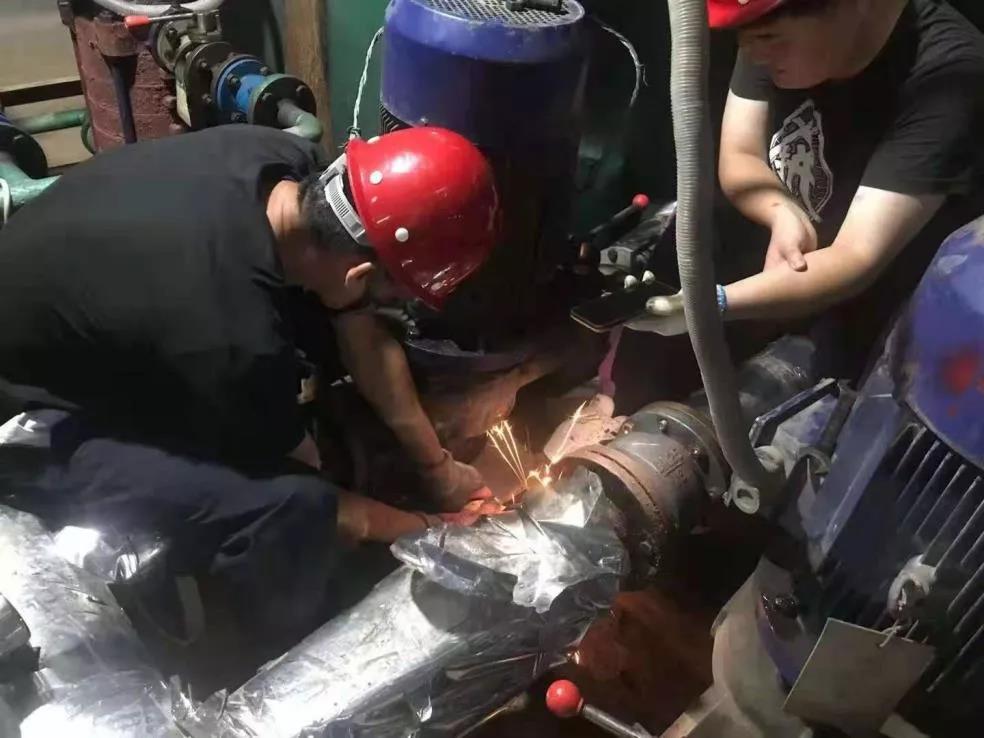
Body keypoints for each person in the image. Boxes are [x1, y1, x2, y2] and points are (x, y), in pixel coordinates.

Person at [0, 124, 501, 630]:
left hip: (74, 310)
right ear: (360, 275)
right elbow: (338, 506)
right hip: (28, 422)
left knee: (324, 329)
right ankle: (252, 632)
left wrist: (437, 466)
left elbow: (358, 325)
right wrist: (429, 527)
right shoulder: (234, 338)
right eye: (391, 294)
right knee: (291, 506)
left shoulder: (285, 159)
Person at [640, 0, 984, 378]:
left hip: (854, 309)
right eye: (743, 39)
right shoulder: (770, 31)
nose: (752, 56)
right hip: (761, 253)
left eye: (767, 38)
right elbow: (740, 154)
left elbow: (856, 256)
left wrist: (713, 304)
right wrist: (781, 213)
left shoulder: (948, 74)